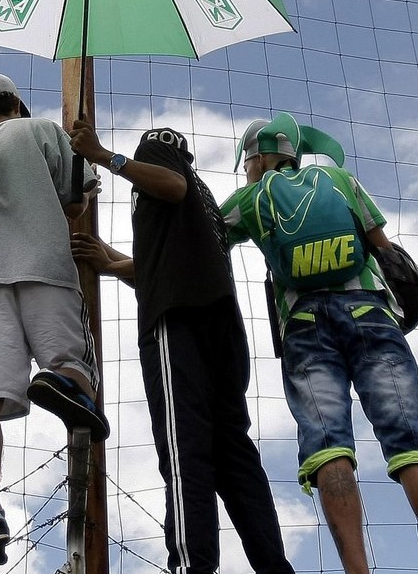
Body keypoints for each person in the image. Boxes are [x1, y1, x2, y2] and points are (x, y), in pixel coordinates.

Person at [222, 113, 418, 574]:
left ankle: (357, 570)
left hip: (304, 325)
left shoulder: (248, 200)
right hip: (370, 314)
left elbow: (205, 240)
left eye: (248, 161)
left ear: (258, 158)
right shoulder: (338, 178)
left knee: (328, 442)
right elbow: (384, 249)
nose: (247, 170)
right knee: (410, 438)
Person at [69, 122, 295, 574]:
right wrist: (108, 260)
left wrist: (102, 155)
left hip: (179, 321)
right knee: (233, 452)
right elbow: (160, 265)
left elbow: (169, 184)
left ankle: (192, 565)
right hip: (221, 328)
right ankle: (274, 566)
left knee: (182, 445)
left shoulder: (162, 156)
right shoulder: (203, 201)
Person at [0, 73, 107, 573]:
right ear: (18, 104)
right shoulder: (44, 130)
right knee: (72, 362)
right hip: (45, 263)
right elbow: (74, 202)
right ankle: (60, 382)